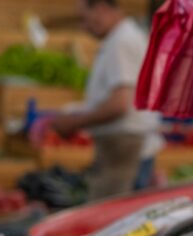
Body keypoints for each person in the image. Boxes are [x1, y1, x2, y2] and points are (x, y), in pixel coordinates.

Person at [50, 0, 163, 200]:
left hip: (124, 147)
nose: (84, 27)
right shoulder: (121, 38)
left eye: (84, 19)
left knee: (113, 216)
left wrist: (75, 123)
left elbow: (119, 105)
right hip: (124, 146)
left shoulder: (122, 42)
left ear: (101, 8)